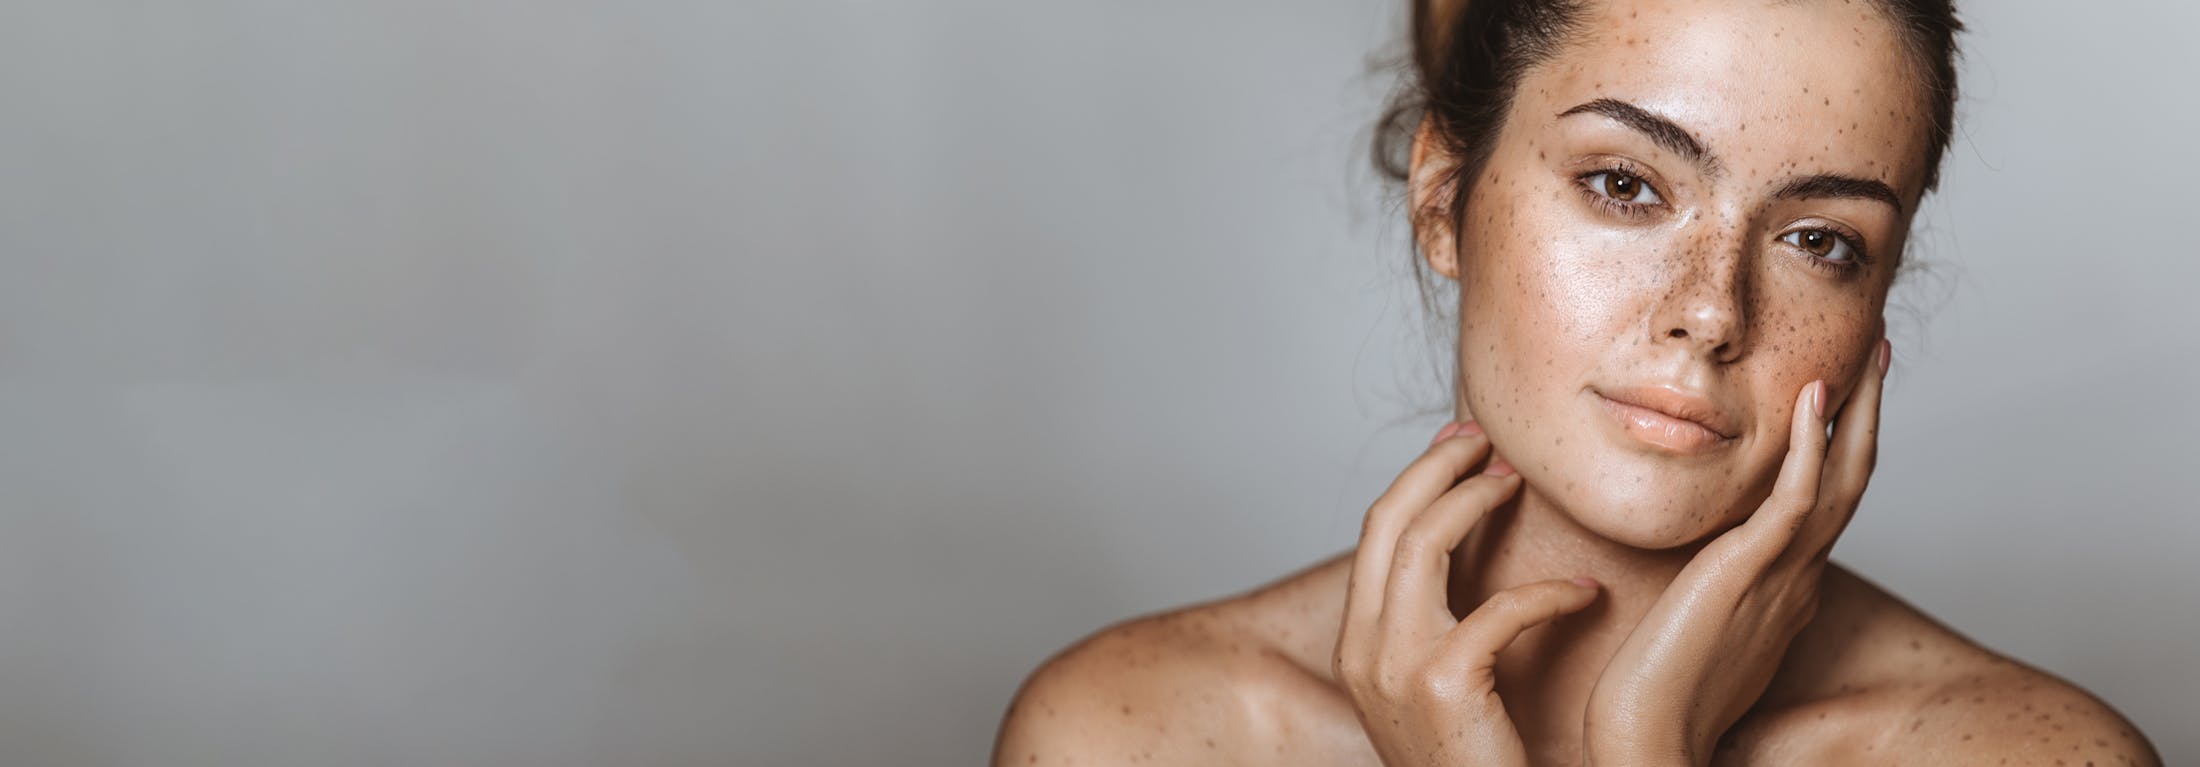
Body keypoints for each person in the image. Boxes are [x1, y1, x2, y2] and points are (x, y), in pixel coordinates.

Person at [991, 0, 2162, 764]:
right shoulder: (1133, 731)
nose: (1709, 311)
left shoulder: (2029, 750)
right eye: (1624, 185)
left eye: (1820, 240)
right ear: (1444, 198)